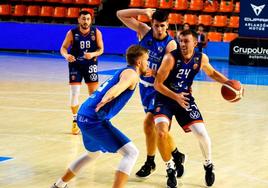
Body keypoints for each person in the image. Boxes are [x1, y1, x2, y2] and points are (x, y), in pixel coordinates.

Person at [51, 45, 149, 188]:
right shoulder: (132, 74)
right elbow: (118, 88)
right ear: (139, 62)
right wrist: (107, 98)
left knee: (93, 154)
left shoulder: (126, 71)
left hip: (83, 114)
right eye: (147, 60)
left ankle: (59, 185)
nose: (148, 63)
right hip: (93, 119)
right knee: (131, 153)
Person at [154, 29, 230, 187]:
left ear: (195, 43)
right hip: (166, 98)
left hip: (186, 99)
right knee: (161, 133)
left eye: (186, 41)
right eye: (180, 40)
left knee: (202, 134)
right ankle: (170, 169)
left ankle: (208, 165)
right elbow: (157, 84)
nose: (182, 43)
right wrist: (175, 96)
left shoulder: (201, 58)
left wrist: (229, 84)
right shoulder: (170, 58)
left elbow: (213, 73)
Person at [117, 8, 186, 179]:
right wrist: (143, 11)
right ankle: (176, 154)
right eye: (156, 25)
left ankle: (150, 162)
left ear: (167, 25)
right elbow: (120, 14)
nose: (159, 29)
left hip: (160, 88)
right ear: (152, 24)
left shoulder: (171, 45)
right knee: (157, 129)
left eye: (163, 26)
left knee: (150, 125)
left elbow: (172, 72)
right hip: (144, 88)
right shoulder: (144, 31)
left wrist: (155, 73)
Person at [60, 10, 104, 135]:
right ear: (79, 20)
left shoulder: (96, 32)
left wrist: (93, 54)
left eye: (88, 19)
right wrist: (66, 55)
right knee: (75, 93)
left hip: (91, 65)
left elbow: (101, 49)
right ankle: (75, 120)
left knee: (94, 95)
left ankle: (91, 119)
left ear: (91, 20)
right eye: (83, 19)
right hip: (76, 65)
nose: (85, 21)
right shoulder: (72, 33)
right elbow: (63, 48)